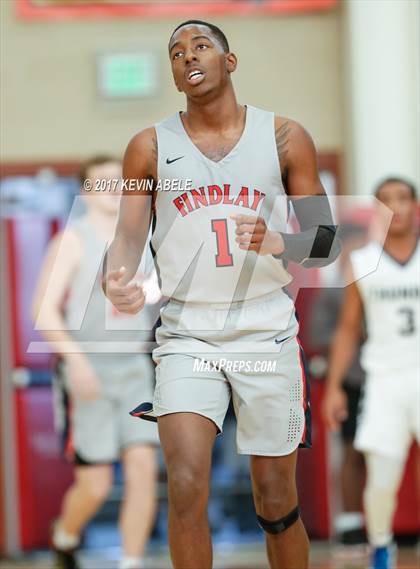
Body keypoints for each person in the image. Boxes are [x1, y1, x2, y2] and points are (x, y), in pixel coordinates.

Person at [102, 20, 340, 569]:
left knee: (276, 502)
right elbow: (126, 242)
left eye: (201, 46)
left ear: (229, 62)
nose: (189, 56)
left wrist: (284, 240)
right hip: (187, 332)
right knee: (185, 486)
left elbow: (327, 244)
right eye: (176, 51)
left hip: (266, 328)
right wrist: (117, 279)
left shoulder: (284, 136)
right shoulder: (147, 147)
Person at [32, 156, 160, 569]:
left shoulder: (143, 238)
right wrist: (77, 363)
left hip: (135, 368)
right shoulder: (72, 240)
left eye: (120, 180)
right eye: (103, 182)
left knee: (143, 466)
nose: (115, 188)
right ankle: (64, 535)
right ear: (86, 192)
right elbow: (44, 311)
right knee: (97, 483)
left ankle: (132, 561)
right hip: (88, 369)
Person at [323, 178, 419, 569]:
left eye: (403, 198)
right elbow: (348, 328)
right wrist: (333, 387)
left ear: (415, 206)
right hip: (384, 380)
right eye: (386, 200)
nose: (395, 206)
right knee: (382, 478)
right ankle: (381, 545)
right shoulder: (361, 261)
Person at [309, 225, 367, 551]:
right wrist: (350, 335)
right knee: (352, 450)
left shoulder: (379, 284)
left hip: (383, 376)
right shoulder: (333, 293)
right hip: (350, 380)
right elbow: (318, 336)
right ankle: (350, 523)